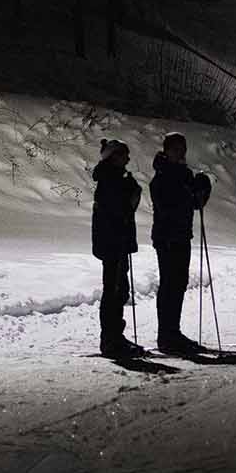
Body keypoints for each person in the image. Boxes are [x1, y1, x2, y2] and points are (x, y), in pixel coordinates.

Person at [149, 132, 212, 354]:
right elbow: (168, 205)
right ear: (166, 150)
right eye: (175, 149)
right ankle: (166, 335)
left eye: (182, 149)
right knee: (170, 284)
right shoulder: (162, 175)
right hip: (167, 237)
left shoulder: (185, 174)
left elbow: (194, 203)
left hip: (182, 235)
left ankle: (172, 332)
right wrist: (189, 193)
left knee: (179, 284)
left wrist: (202, 191)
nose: (180, 153)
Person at [92, 138, 144, 358]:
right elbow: (119, 210)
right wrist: (130, 194)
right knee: (114, 290)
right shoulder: (109, 179)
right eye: (124, 154)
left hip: (115, 241)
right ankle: (111, 340)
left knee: (118, 289)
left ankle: (115, 336)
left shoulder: (114, 178)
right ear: (114, 157)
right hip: (113, 242)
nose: (128, 158)